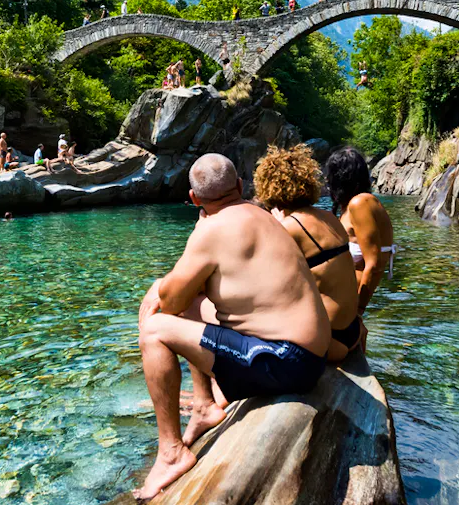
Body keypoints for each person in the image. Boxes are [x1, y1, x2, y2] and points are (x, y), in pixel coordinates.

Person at [133, 154, 330, 500]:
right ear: (240, 185)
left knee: (154, 330)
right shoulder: (263, 215)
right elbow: (185, 298)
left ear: (194, 198)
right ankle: (204, 406)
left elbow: (169, 303)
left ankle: (171, 453)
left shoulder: (211, 230)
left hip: (284, 360)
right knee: (193, 302)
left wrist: (159, 286)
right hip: (308, 354)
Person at [254, 145, 362, 362]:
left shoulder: (289, 227)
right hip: (352, 331)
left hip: (328, 339)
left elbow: (259, 284)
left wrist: (277, 226)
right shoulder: (329, 217)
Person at [324, 148, 397, 318]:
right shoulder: (353, 205)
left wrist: (358, 311)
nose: (327, 180)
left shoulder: (360, 203)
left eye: (331, 175)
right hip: (344, 303)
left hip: (350, 306)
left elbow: (374, 264)